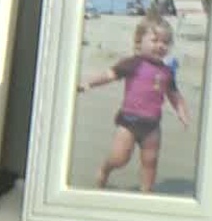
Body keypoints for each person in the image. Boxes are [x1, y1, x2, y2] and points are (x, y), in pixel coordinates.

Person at [78, 12, 192, 192]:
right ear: (139, 42)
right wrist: (88, 84)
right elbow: (109, 74)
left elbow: (174, 94)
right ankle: (106, 168)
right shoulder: (133, 63)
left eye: (165, 42)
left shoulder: (167, 71)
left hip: (152, 125)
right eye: (155, 40)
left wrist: (182, 113)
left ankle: (146, 192)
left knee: (150, 162)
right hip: (128, 122)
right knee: (119, 159)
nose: (160, 46)